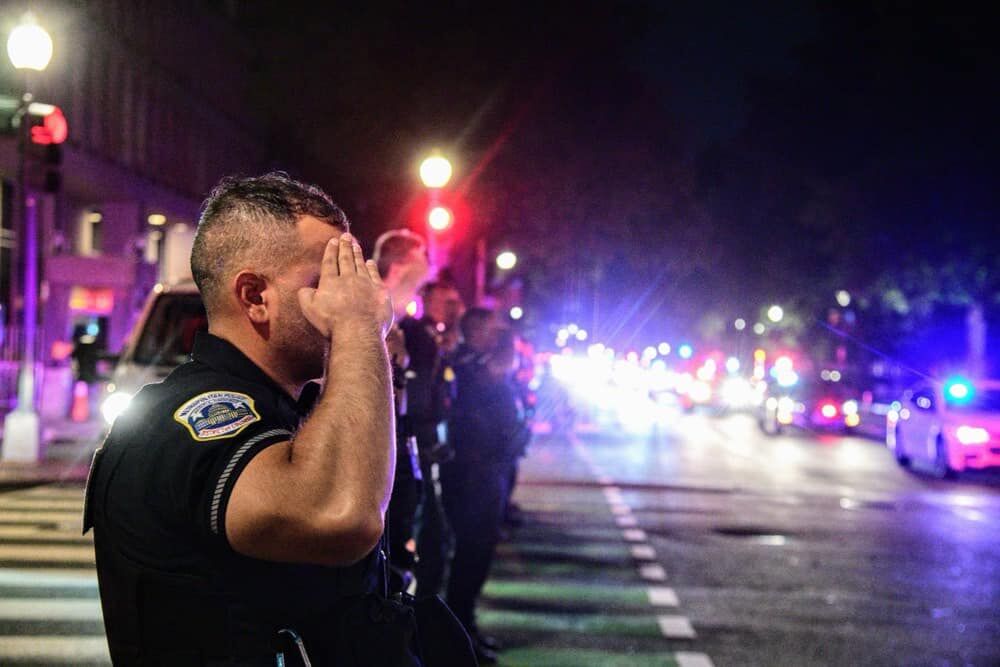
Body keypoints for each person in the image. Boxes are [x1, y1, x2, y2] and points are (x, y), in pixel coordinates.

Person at [84, 173, 416, 665]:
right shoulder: (192, 421)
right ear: (256, 296)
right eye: (327, 280)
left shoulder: (290, 406)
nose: (350, 296)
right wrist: (357, 327)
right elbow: (341, 515)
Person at [441, 307, 523, 664]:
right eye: (490, 328)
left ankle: (466, 627)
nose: (496, 335)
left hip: (491, 468)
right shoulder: (463, 365)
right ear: (473, 329)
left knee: (481, 551)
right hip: (471, 471)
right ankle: (458, 634)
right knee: (470, 553)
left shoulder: (486, 364)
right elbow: (467, 409)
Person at [372, 228, 430, 594]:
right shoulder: (372, 313)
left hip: (398, 453)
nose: (429, 266)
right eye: (423, 257)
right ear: (401, 264)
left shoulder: (398, 319)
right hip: (377, 463)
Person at [404, 281, 465, 598]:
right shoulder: (415, 335)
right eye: (445, 300)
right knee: (427, 541)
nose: (450, 307)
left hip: (429, 447)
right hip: (416, 448)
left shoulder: (438, 337)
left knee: (437, 541)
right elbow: (417, 400)